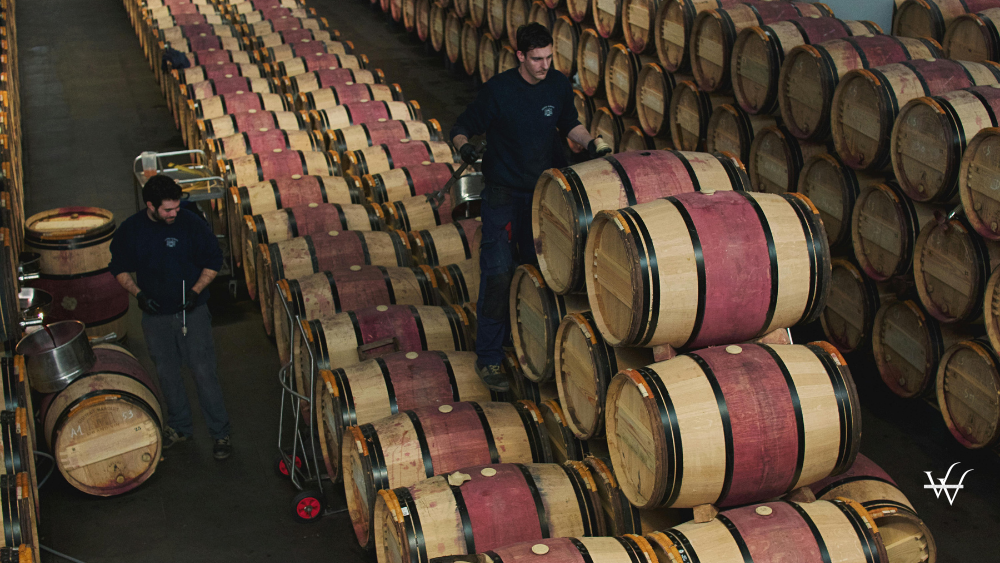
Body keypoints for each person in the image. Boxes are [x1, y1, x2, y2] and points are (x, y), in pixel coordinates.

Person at [450, 23, 611, 391]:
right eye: (537, 59)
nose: (545, 65)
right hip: (504, 195)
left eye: (549, 57)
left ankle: (530, 346)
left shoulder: (556, 83)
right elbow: (461, 126)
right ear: (520, 56)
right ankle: (489, 357)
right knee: (499, 272)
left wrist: (591, 144)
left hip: (544, 195)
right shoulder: (499, 91)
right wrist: (465, 148)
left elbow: (569, 124)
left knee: (543, 271)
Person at [109, 175, 232, 460]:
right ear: (150, 205)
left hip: (193, 313)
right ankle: (180, 426)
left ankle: (220, 432)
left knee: (204, 372)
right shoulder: (132, 230)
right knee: (166, 373)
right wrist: (139, 295)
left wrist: (196, 290)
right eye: (168, 209)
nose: (174, 213)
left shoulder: (190, 224)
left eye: (177, 207)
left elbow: (214, 260)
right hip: (156, 318)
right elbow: (118, 267)